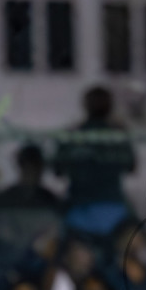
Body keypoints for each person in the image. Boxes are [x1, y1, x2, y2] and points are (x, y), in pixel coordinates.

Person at [52, 86, 136, 240]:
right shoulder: (118, 136)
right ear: (111, 107)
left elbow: (57, 170)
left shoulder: (73, 135)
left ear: (84, 105)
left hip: (82, 208)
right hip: (106, 208)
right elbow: (131, 167)